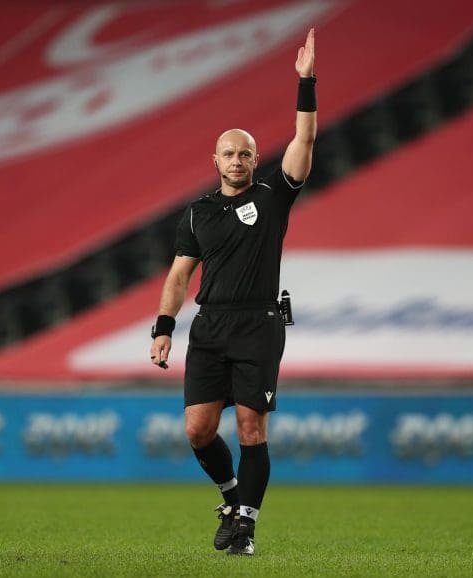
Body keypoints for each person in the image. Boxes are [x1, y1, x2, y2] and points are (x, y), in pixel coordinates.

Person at [148, 28, 317, 556]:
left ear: (254, 157)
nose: (237, 160)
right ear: (215, 161)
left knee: (251, 427)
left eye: (245, 153)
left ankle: (244, 525)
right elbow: (179, 276)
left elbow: (306, 141)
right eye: (228, 153)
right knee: (198, 431)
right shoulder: (198, 214)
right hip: (210, 326)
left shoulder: (274, 199)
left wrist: (306, 82)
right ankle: (230, 497)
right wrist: (163, 327)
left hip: (259, 323)